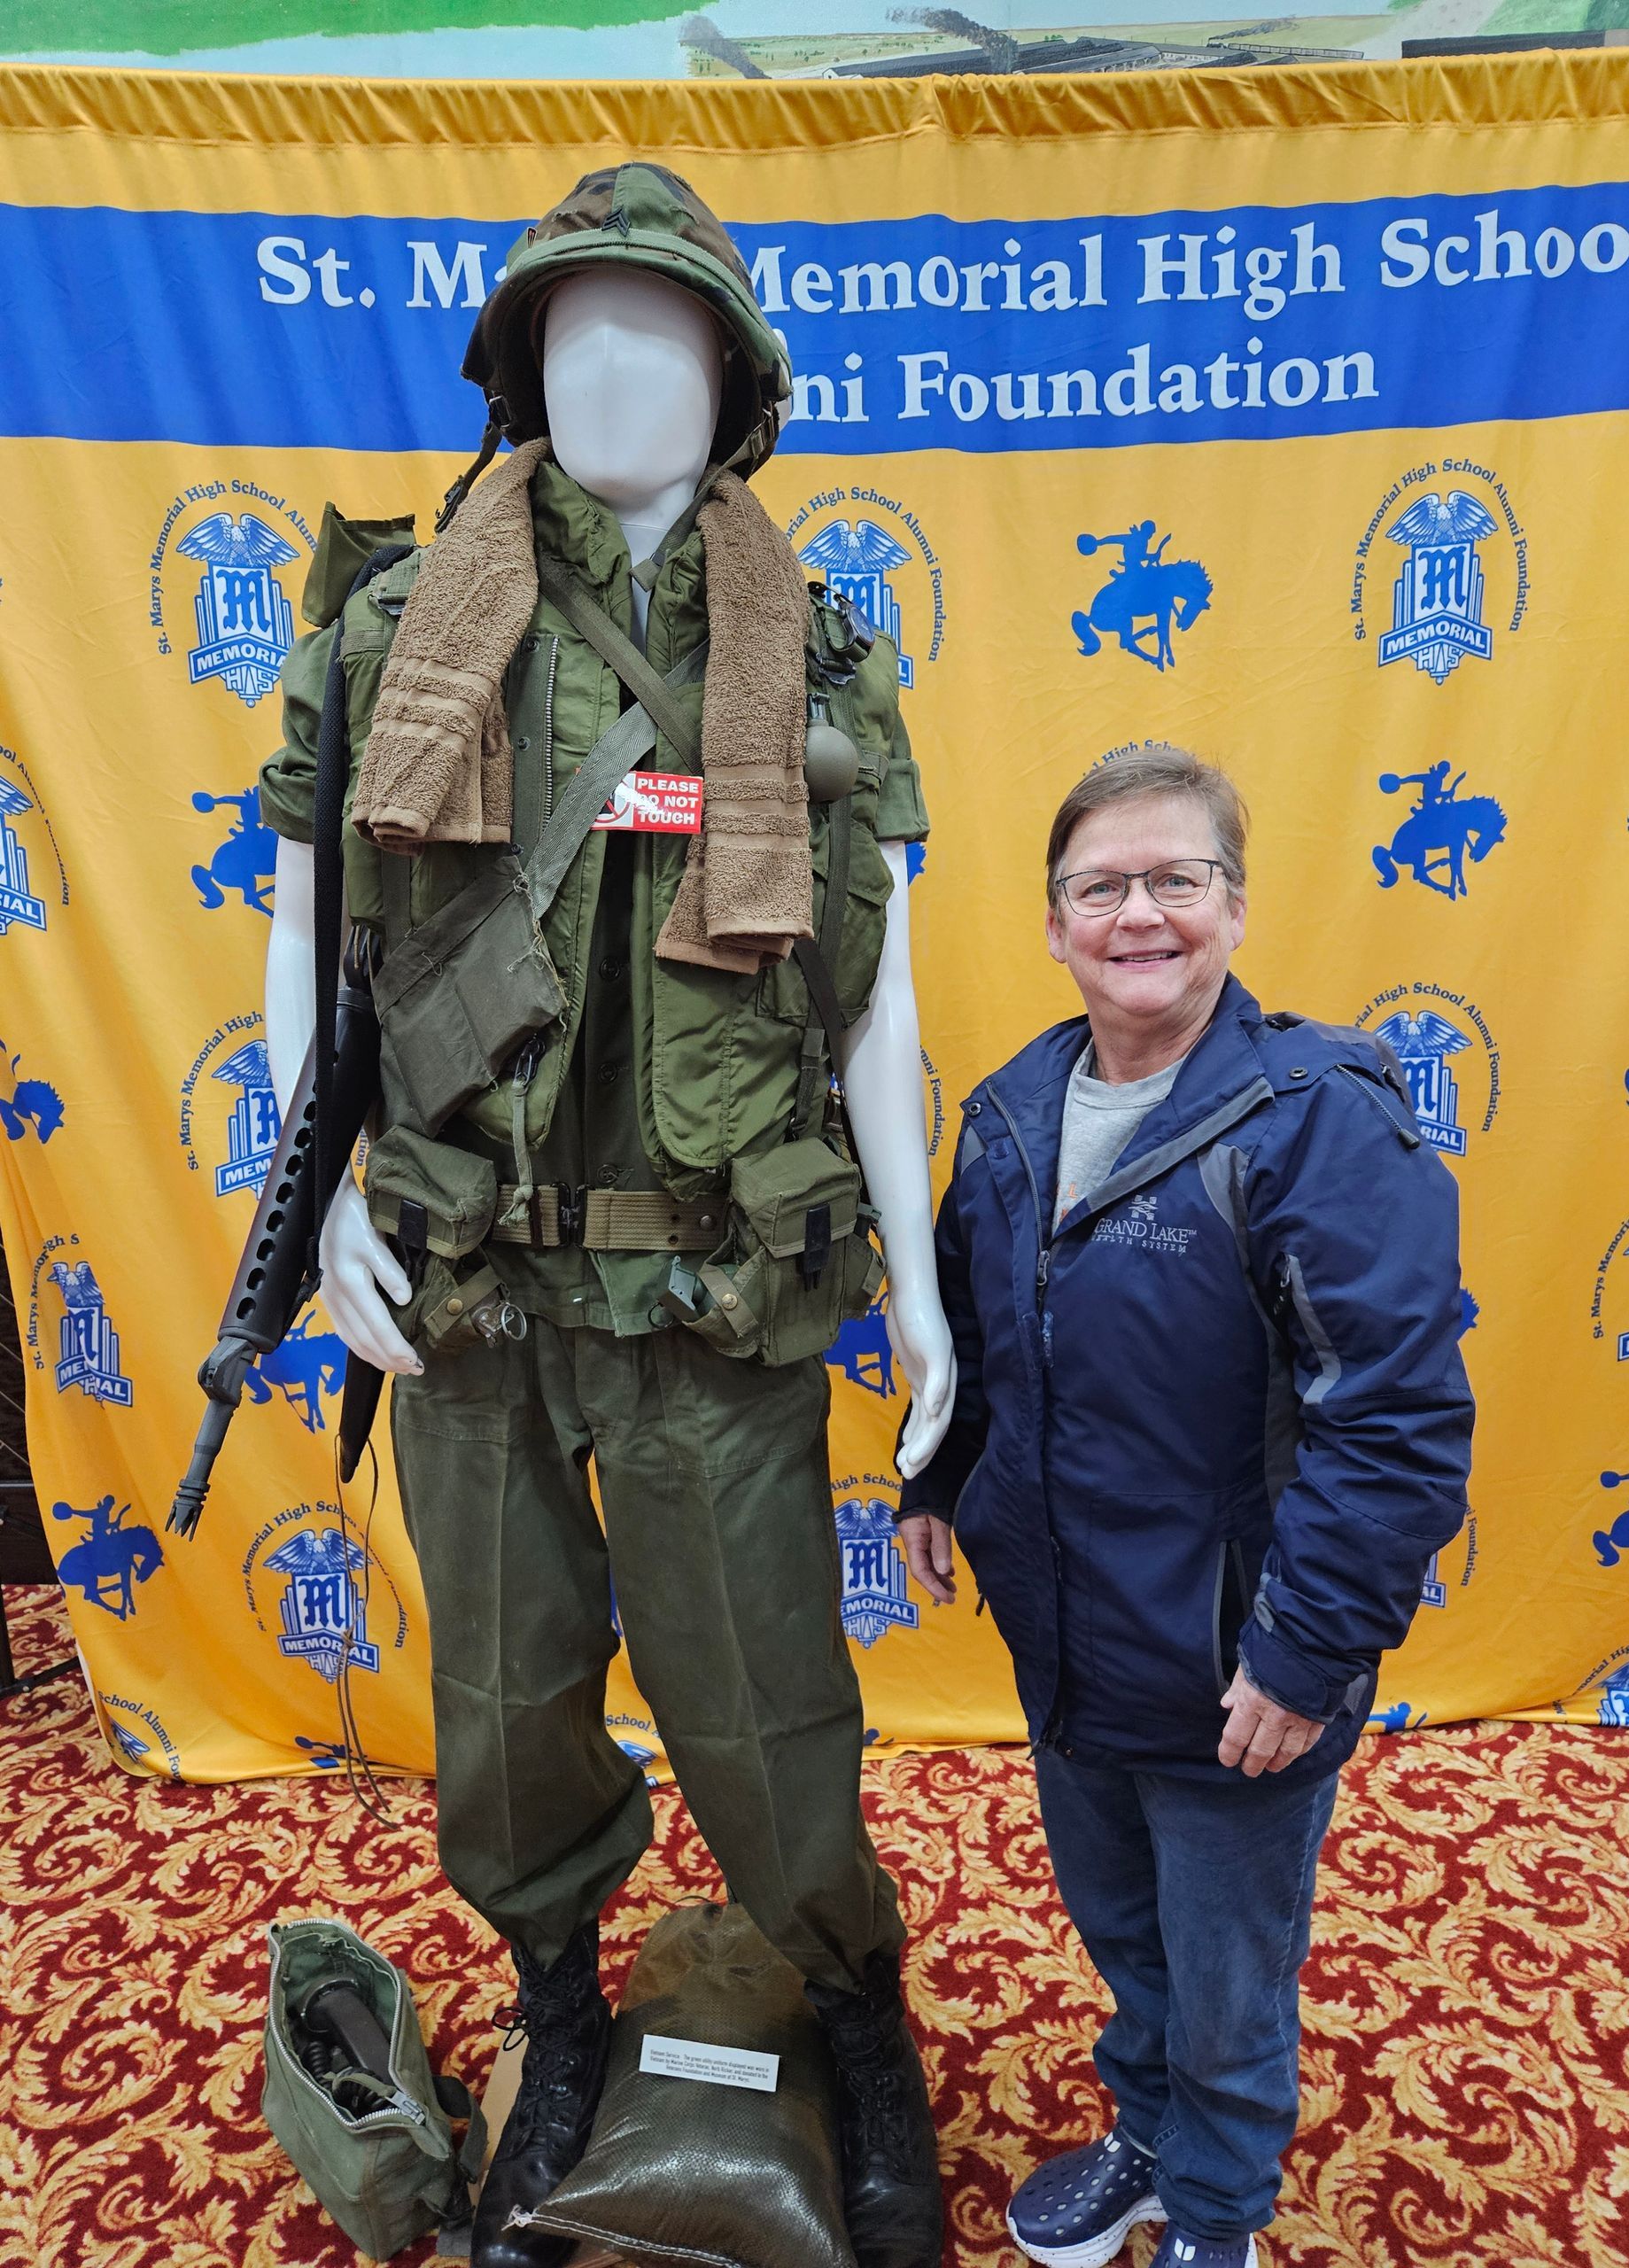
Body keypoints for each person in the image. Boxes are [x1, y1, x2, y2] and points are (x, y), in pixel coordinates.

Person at [259, 164, 952, 2268]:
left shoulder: (814, 647)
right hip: (465, 1278)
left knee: (761, 1705)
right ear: (517, 366)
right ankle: (560, 2004)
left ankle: (852, 2004)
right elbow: (311, 940)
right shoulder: (397, 630)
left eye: (659, 333)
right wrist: (300, 1230)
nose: (612, 367)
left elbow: (877, 997)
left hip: (714, 1289)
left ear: (735, 387)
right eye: (572, 331)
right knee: (501, 1703)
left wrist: (924, 1302)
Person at [896, 746, 1474, 2268]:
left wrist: (1302, 1655)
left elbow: (1397, 1421)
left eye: (1175, 880)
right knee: (1126, 1932)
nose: (1138, 913)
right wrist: (935, 1478)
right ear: (1053, 920)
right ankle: (1147, 2140)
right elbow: (970, 1327)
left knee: (1230, 1976)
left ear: (1234, 905)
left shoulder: (1316, 1122)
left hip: (1237, 1669)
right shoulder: (1017, 1109)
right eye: (1103, 885)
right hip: (1073, 1649)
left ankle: (1215, 2217)